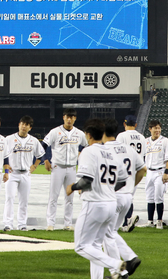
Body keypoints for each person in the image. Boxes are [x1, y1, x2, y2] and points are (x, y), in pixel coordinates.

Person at [66, 119, 129, 279]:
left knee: (81, 246)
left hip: (94, 204)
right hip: (110, 203)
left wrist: (72, 187)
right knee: (94, 245)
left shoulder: (88, 151)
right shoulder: (111, 153)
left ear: (88, 134)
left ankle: (116, 265)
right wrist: (107, 189)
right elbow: (122, 179)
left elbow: (86, 180)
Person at [102, 118, 146, 276]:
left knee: (106, 234)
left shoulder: (103, 149)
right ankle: (131, 258)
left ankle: (118, 271)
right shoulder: (128, 149)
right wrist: (132, 185)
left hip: (112, 196)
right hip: (127, 196)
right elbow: (142, 170)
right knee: (112, 232)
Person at [42, 108, 88, 231]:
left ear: (75, 118)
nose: (69, 119)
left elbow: (87, 145)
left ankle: (67, 223)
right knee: (53, 196)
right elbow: (43, 145)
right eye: (67, 116)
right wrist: (46, 160)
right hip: (58, 167)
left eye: (72, 117)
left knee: (70, 198)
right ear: (63, 117)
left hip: (72, 168)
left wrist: (80, 152)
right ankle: (50, 223)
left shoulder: (79, 133)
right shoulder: (55, 132)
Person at [3, 115, 45, 231]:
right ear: (19, 125)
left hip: (26, 173)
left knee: (24, 200)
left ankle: (22, 224)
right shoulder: (9, 139)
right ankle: (8, 224)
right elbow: (2, 155)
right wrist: (6, 168)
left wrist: (34, 166)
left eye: (26, 125)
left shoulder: (33, 141)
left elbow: (40, 155)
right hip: (12, 173)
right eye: (22, 124)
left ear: (30, 128)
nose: (24, 126)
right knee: (10, 198)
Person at [115, 115, 146, 229]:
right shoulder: (142, 137)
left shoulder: (121, 136)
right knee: (129, 197)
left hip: (123, 171)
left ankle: (122, 223)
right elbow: (143, 156)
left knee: (118, 197)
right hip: (136, 170)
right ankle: (127, 221)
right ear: (136, 125)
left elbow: (117, 153)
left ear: (124, 124)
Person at [143, 119, 168, 229]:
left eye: (159, 128)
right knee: (149, 197)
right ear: (150, 129)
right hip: (149, 172)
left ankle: (159, 221)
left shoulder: (165, 141)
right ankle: (150, 221)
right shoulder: (146, 141)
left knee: (158, 197)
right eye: (155, 128)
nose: (157, 130)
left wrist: (166, 172)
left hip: (160, 171)